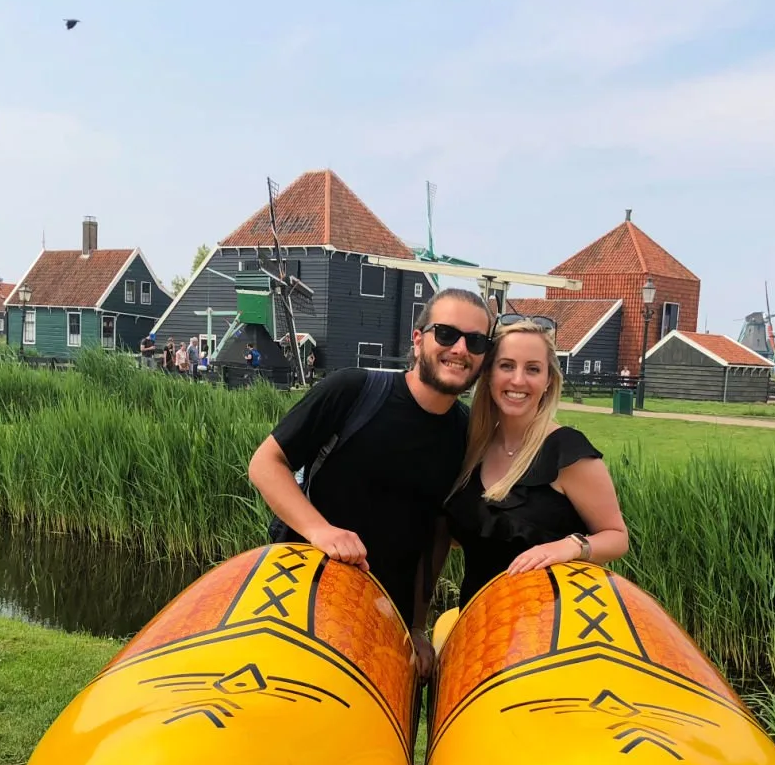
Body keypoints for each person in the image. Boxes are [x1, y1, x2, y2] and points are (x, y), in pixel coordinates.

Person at [248, 288, 492, 676]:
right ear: (418, 339)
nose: (461, 349)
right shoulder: (354, 391)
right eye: (446, 334)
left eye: (476, 341)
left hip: (385, 624)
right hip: (303, 603)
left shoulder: (467, 436)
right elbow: (266, 464)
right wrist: (320, 530)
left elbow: (438, 534)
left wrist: (417, 626)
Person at [445, 316, 629, 609]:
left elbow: (617, 538)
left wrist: (570, 546)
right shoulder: (474, 446)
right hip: (478, 623)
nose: (518, 380)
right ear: (489, 374)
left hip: (547, 625)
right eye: (507, 366)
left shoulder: (566, 451)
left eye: (533, 369)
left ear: (548, 381)